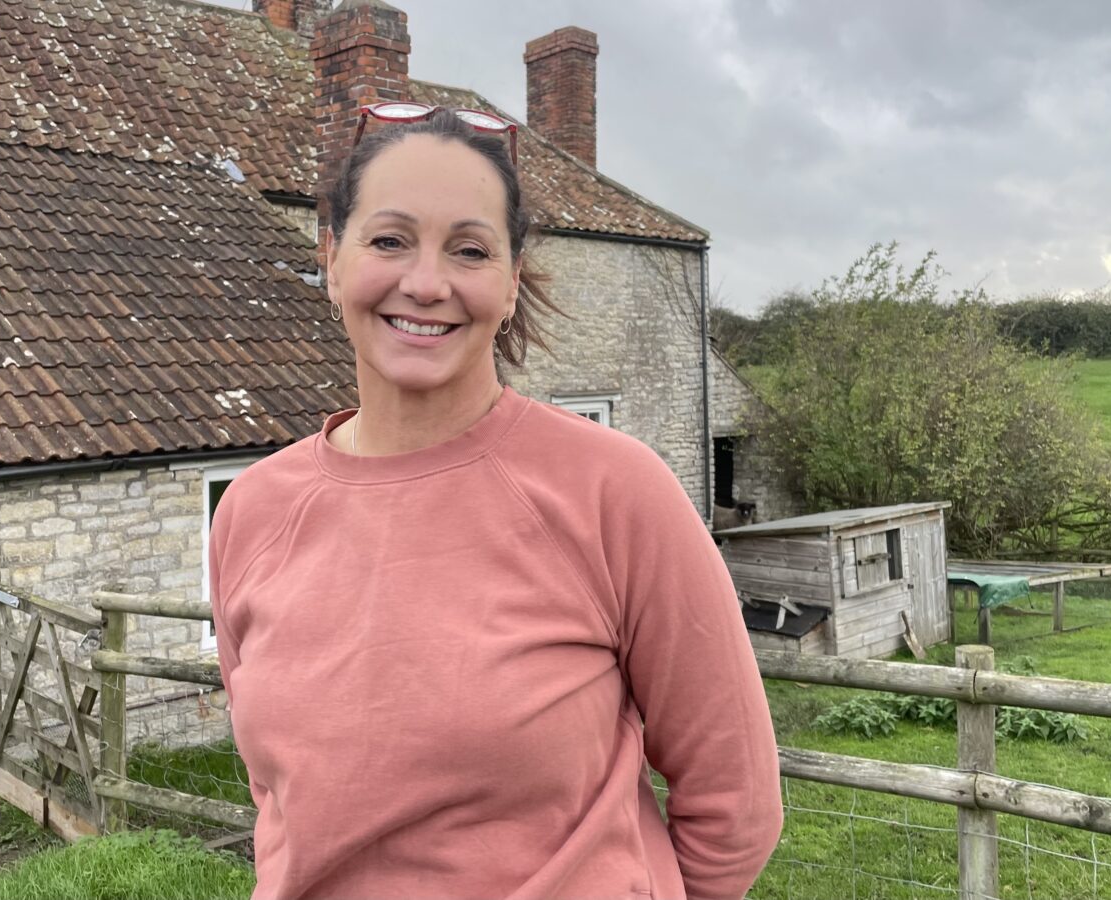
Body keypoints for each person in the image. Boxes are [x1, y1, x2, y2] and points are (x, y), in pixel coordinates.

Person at [208, 107, 782, 900]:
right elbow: (281, 795)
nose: (426, 282)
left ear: (510, 284)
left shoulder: (614, 491)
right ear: (331, 259)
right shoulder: (250, 511)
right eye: (389, 240)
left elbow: (736, 799)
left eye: (469, 250)